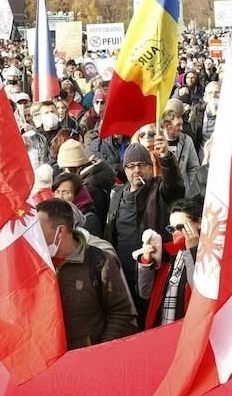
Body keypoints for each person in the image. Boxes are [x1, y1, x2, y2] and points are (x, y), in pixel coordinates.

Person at [37, 197, 138, 348]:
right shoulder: (35, 263)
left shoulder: (100, 261)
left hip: (87, 358)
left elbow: (123, 312)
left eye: (39, 231)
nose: (35, 237)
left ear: (61, 231)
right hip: (46, 357)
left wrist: (101, 350)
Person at [106, 141, 185, 304]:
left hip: (151, 271)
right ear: (125, 169)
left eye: (142, 165)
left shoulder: (159, 188)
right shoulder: (118, 193)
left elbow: (175, 186)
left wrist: (166, 157)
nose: (137, 170)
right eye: (131, 166)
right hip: (123, 274)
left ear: (150, 167)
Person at [137, 198, 202, 329]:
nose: (175, 233)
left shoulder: (208, 254)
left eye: (180, 227)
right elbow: (144, 292)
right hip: (161, 331)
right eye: (171, 229)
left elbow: (199, 290)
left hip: (187, 332)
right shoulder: (167, 253)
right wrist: (146, 260)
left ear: (199, 223)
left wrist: (192, 251)